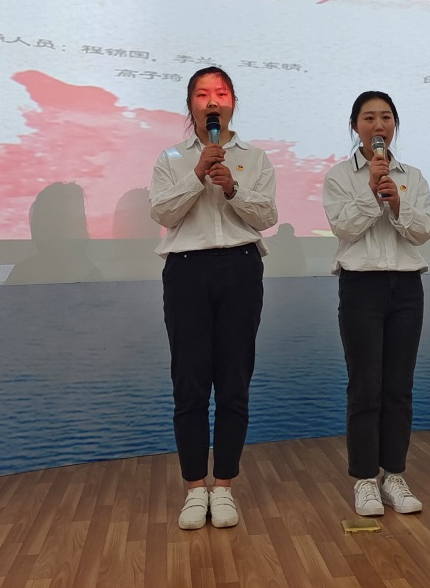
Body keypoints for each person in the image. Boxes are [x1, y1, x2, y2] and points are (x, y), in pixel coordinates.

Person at [149, 67, 278, 529]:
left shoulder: (255, 157)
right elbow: (162, 212)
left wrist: (232, 187)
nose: (212, 102)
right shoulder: (171, 158)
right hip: (186, 271)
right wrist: (198, 172)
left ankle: (223, 486)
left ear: (232, 103)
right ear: (191, 105)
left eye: (220, 93)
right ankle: (193, 488)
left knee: (233, 381)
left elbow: (266, 216)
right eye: (202, 94)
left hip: (241, 267)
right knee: (189, 383)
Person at [322, 91, 430, 517]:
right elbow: (344, 228)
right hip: (361, 286)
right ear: (356, 127)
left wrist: (398, 202)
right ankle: (365, 479)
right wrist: (372, 192)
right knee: (365, 385)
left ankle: (395, 475)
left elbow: (424, 231)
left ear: (394, 125)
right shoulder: (339, 176)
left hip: (406, 287)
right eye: (369, 118)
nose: (378, 125)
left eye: (386, 117)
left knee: (399, 386)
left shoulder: (413, 176)